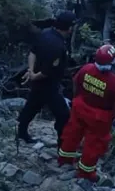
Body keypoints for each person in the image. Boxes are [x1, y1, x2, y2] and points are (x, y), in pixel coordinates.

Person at [57, 44, 115, 182]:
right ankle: (86, 173)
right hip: (99, 117)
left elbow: (76, 83)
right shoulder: (114, 82)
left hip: (80, 107)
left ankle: (64, 159)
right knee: (94, 144)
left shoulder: (86, 69)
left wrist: (77, 99)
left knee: (72, 133)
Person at [16, 11, 76, 144]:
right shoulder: (58, 46)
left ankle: (21, 132)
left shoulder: (45, 33)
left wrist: (31, 71)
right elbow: (48, 71)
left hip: (39, 81)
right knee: (63, 115)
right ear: (69, 28)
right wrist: (35, 76)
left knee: (32, 106)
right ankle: (62, 144)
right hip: (49, 84)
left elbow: (32, 53)